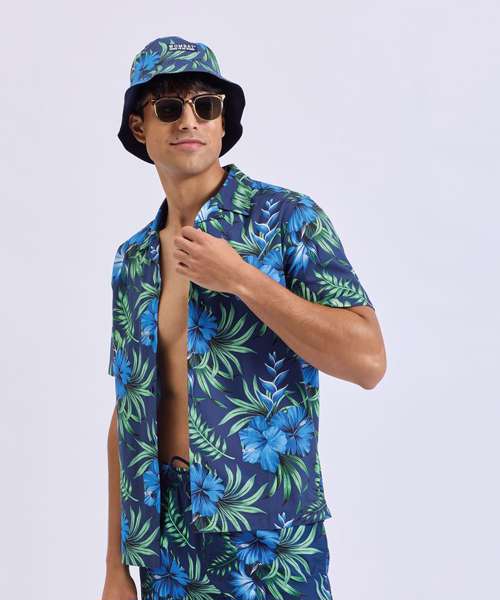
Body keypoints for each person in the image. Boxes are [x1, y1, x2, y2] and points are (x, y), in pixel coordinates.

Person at [101, 35, 386, 600]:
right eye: (169, 107)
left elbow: (368, 361)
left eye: (206, 105)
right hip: (166, 547)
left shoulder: (286, 219)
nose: (189, 119)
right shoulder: (133, 259)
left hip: (270, 541)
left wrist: (242, 279)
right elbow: (128, 412)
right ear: (140, 127)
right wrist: (116, 566)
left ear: (223, 122)